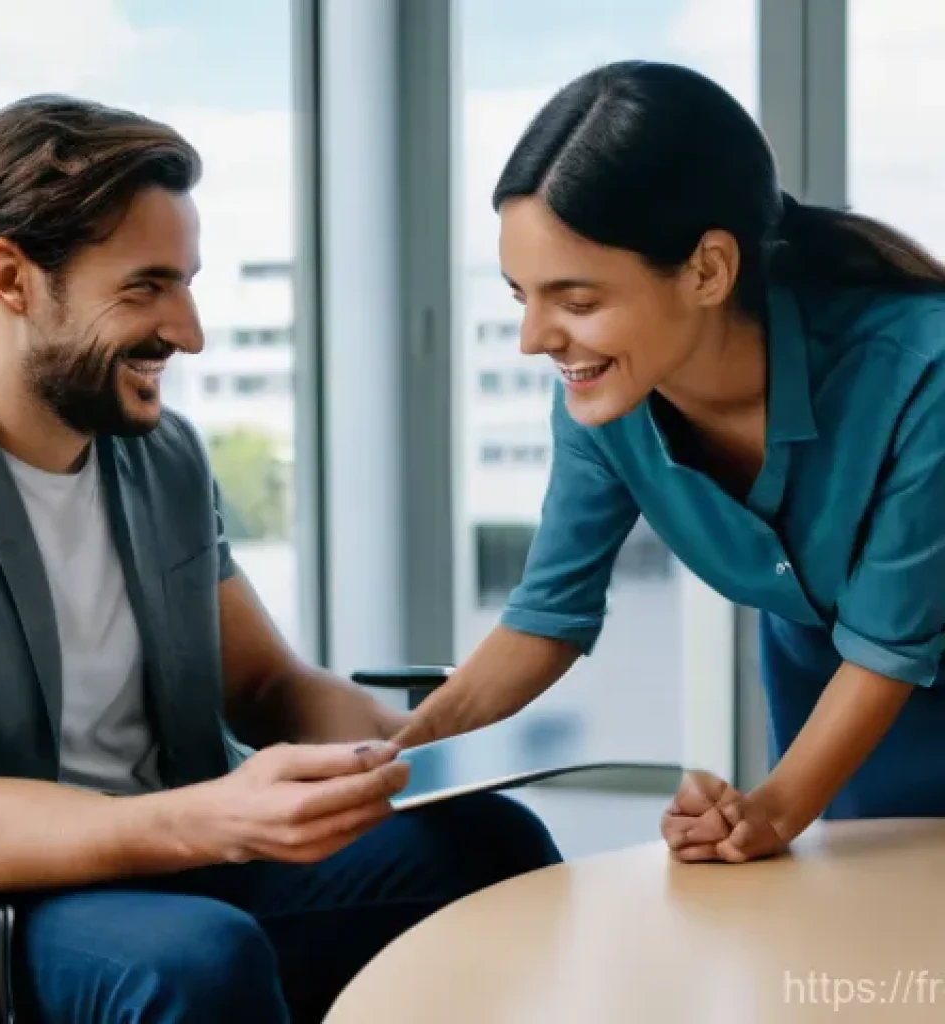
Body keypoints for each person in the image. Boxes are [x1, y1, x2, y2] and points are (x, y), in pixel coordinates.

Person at [0, 95, 561, 1024]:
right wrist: (213, 818)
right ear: (13, 278)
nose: (189, 332)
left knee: (493, 848)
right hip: (18, 901)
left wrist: (414, 755)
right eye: (145, 287)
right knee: (198, 963)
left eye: (187, 283)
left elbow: (263, 686)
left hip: (192, 846)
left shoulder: (162, 455)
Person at [394, 59, 945, 864]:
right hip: (836, 685)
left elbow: (889, 644)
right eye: (522, 296)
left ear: (708, 270)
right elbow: (546, 617)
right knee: (863, 951)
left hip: (881, 672)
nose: (535, 338)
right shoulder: (605, 394)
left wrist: (770, 812)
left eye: (577, 301)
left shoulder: (919, 371)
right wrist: (394, 757)